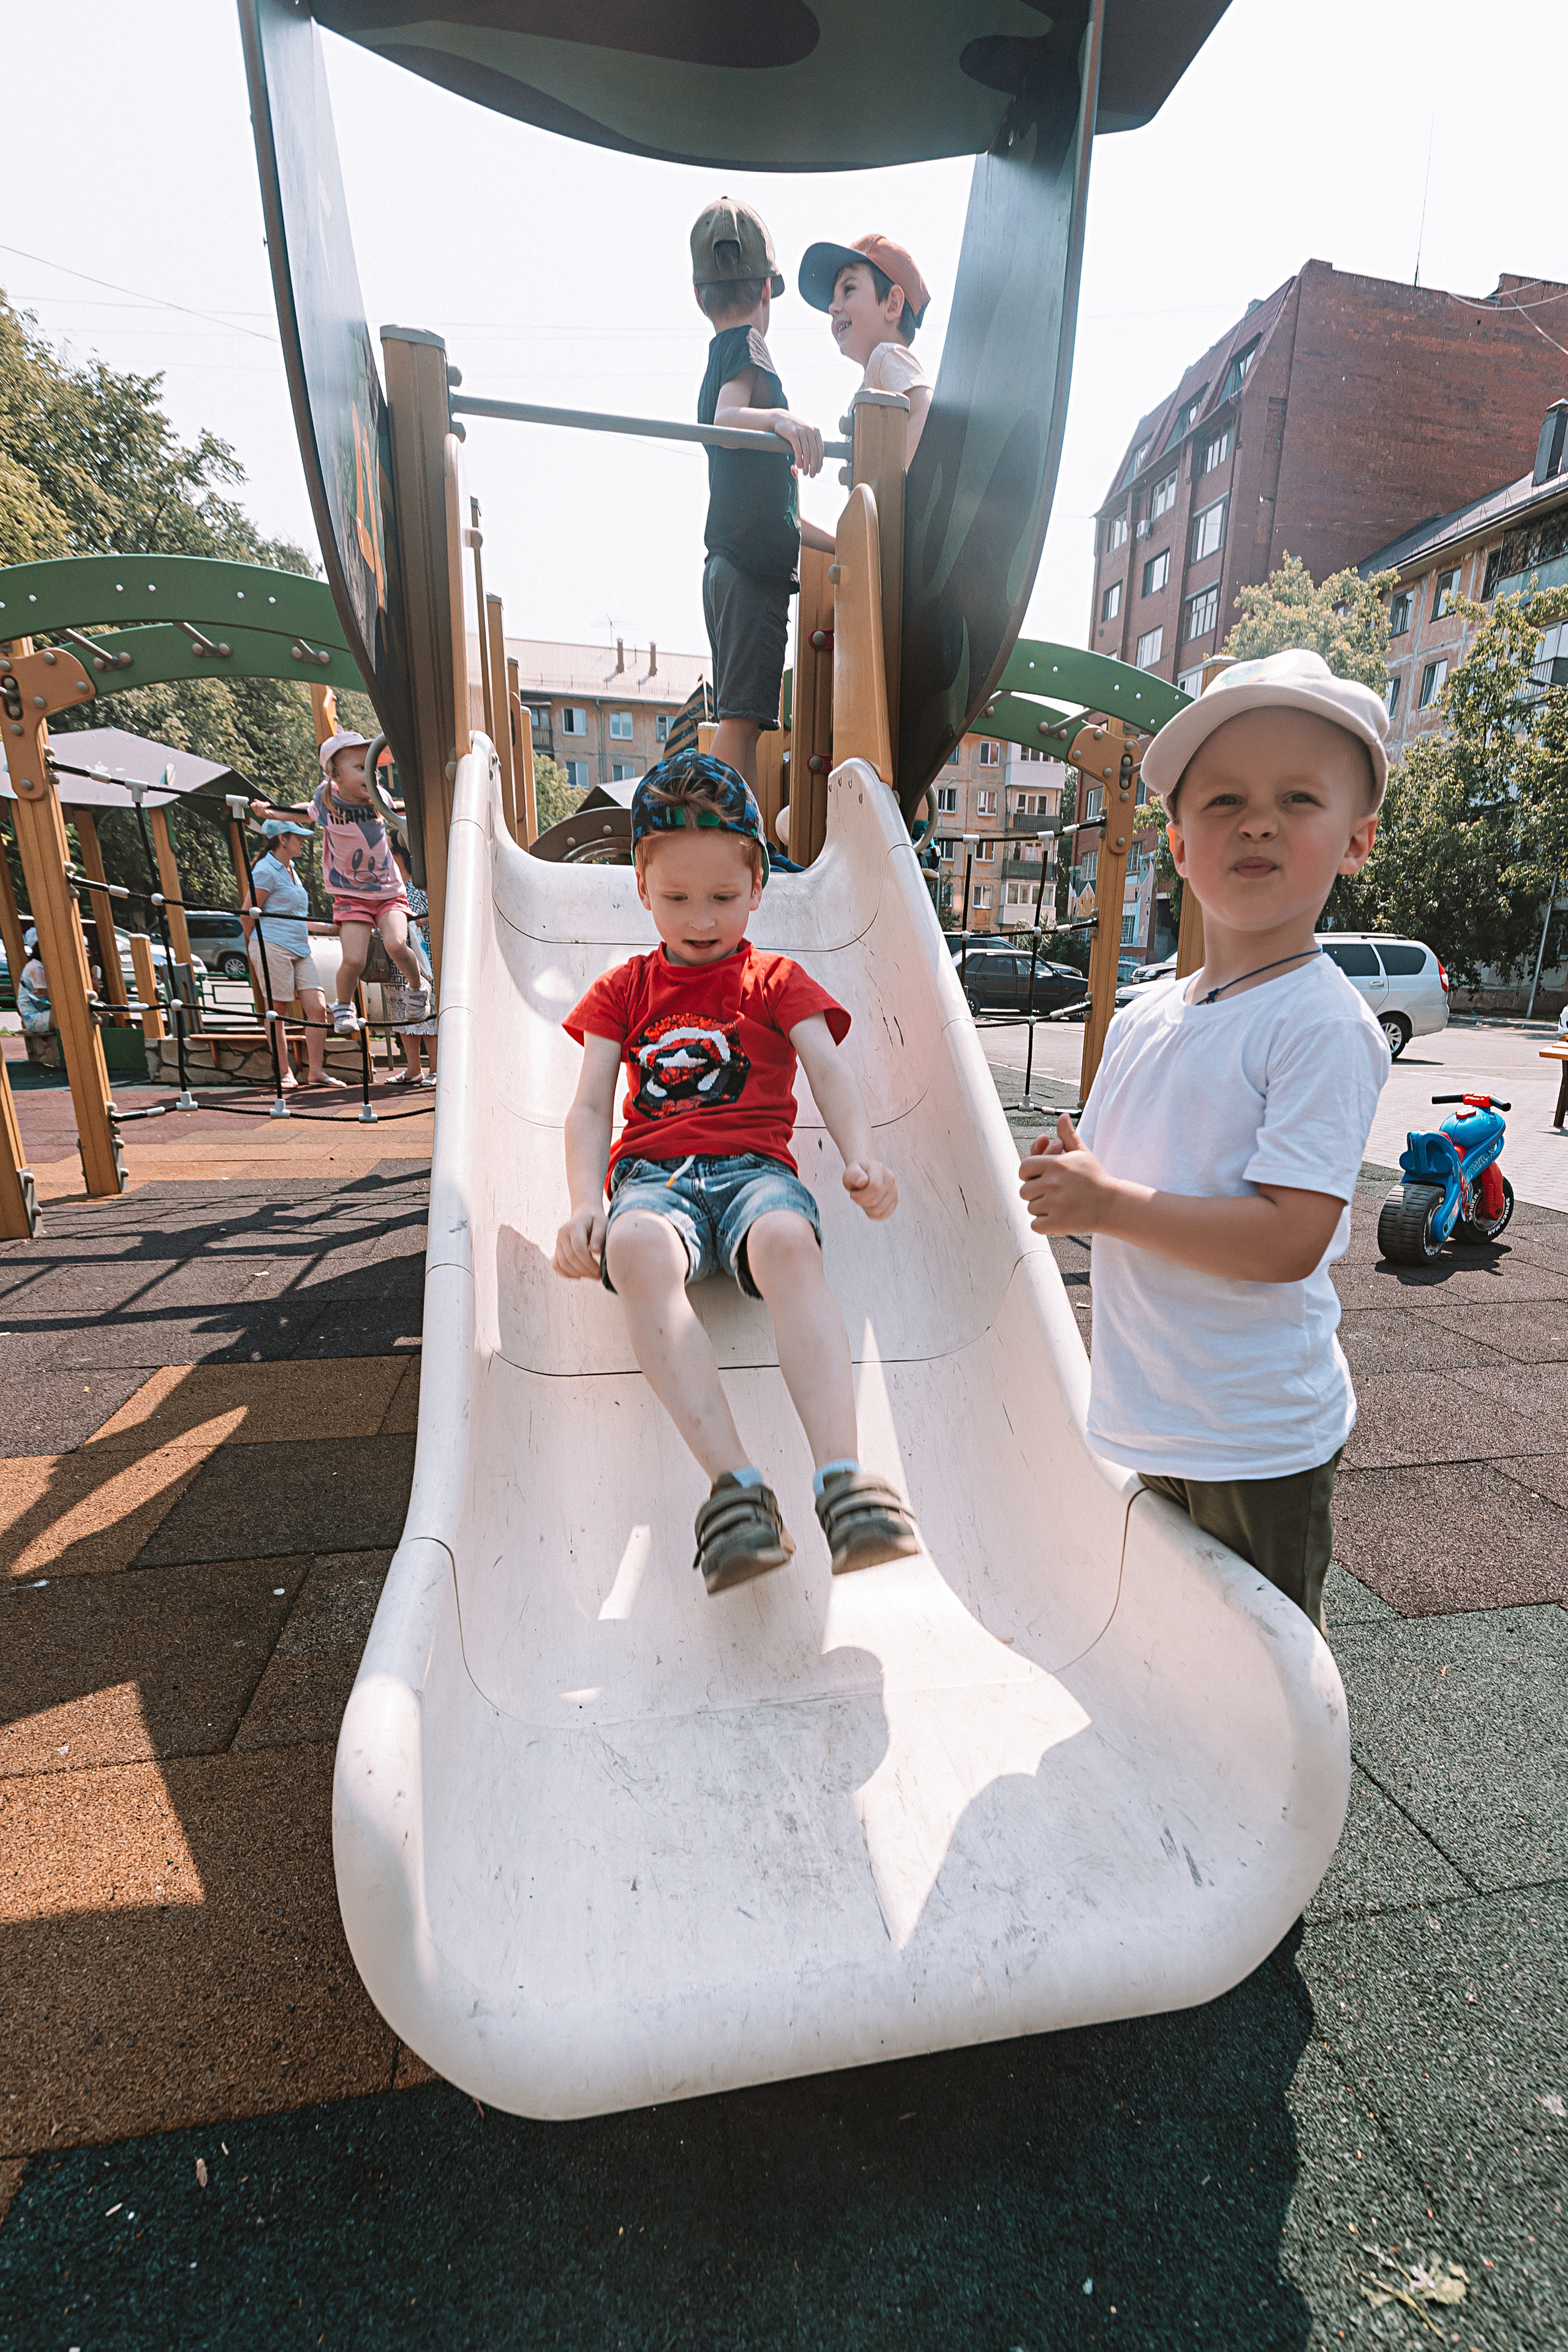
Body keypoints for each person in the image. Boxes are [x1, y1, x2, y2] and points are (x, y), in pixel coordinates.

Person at [1017, 650, 1393, 1634]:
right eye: (1223, 801)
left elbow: (1286, 1242)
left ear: (1355, 842)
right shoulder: (1149, 1016)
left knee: (1264, 1673)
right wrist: (1071, 1185)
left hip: (1254, 1434)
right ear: (1178, 847)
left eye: (1297, 798)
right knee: (1177, 1638)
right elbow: (1114, 1187)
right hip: (1163, 1409)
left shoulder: (1320, 1023)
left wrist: (1104, 1205)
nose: (1258, 820)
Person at [553, 751, 921, 1596]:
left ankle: (845, 1482)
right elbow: (587, 1106)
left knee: (792, 1239)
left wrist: (862, 1156)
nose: (702, 917)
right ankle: (737, 1491)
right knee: (636, 1250)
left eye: (723, 897)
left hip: (756, 1173)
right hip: (654, 1179)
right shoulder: (623, 989)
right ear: (642, 888)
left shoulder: (775, 980)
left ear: (758, 886)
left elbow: (830, 1070)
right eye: (678, 898)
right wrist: (583, 1204)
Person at [690, 196, 836, 795]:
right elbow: (730, 417)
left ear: (700, 296)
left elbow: (783, 519)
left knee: (744, 724)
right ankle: (713, 845)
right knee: (740, 723)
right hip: (750, 575)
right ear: (768, 292)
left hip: (733, 565)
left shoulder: (718, 356)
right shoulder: (747, 348)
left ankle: (743, 845)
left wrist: (845, 544)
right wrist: (781, 418)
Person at [255, 732, 429, 1038]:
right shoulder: (327, 801)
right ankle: (345, 1006)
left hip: (388, 892)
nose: (370, 775)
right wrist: (271, 813)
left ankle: (418, 989)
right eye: (360, 768)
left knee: (396, 944)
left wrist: (422, 805)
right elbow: (303, 813)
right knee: (353, 959)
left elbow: (399, 808)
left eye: (372, 769)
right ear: (335, 773)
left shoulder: (379, 799)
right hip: (351, 896)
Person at [797, 233, 934, 465]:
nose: (833, 307)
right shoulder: (873, 377)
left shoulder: (887, 355)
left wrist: (893, 487)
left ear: (892, 304)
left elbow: (923, 407)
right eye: (834, 297)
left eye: (848, 289)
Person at [244, 816, 344, 1090]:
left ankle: (316, 1072)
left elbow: (293, 916)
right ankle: (284, 1072)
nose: (302, 841)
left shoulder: (292, 869)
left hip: (300, 947)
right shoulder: (265, 870)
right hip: (272, 946)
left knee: (318, 1008)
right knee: (279, 1010)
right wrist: (258, 948)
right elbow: (248, 914)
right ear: (282, 840)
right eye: (297, 837)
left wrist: (328, 927)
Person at [386, 842, 437, 1088]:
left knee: (429, 1014)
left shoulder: (421, 887)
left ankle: (436, 1068)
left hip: (424, 959)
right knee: (402, 1014)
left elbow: (430, 915)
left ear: (398, 856)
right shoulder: (391, 889)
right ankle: (413, 1069)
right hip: (398, 961)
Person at [17, 930, 50, 1036]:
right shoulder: (36, 968)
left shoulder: (38, 966)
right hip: (35, 1017)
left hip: (40, 1013)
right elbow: (46, 994)